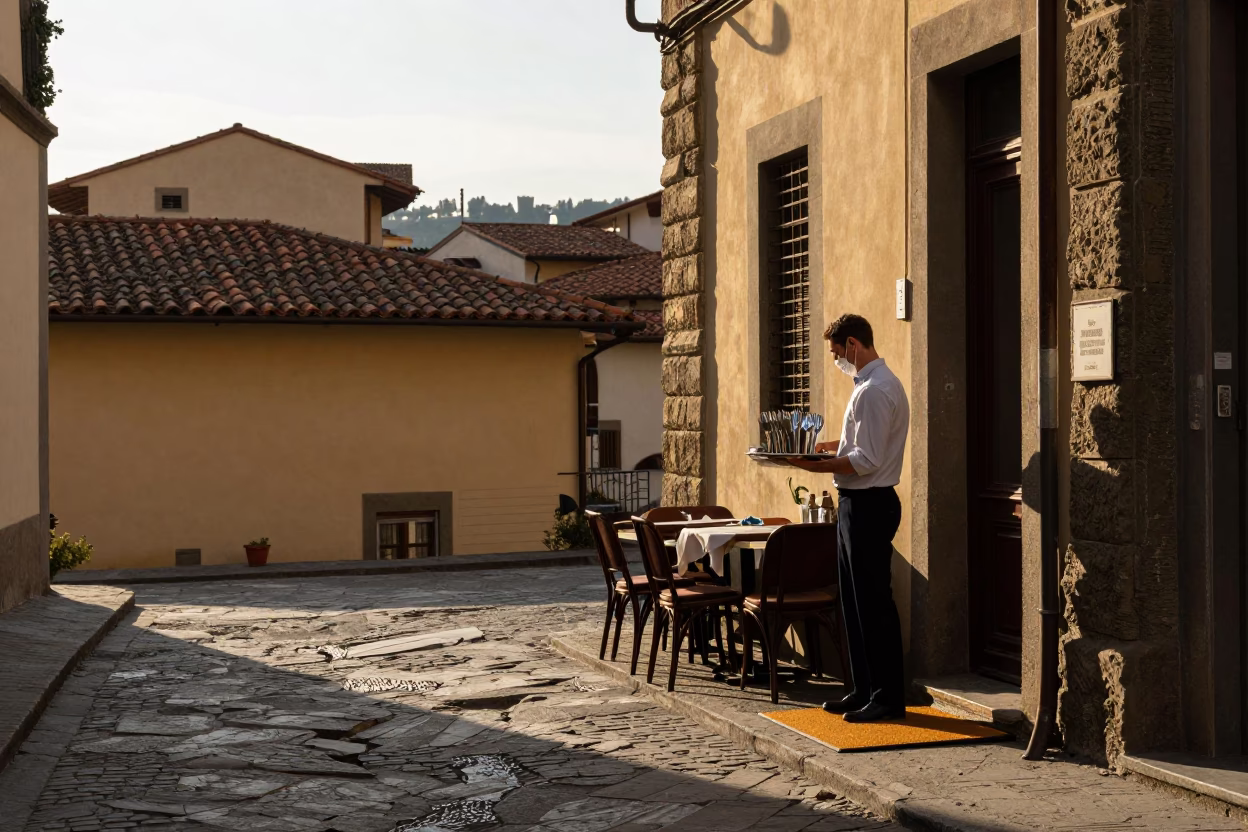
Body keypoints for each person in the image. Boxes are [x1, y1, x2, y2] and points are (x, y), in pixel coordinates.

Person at [788, 314, 910, 723]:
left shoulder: (875, 390)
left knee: (873, 603)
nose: (837, 360)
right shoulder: (869, 387)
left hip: (869, 504)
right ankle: (863, 688)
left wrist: (813, 467)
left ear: (854, 345)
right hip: (858, 504)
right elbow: (858, 444)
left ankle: (887, 696)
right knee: (855, 603)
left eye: (838, 353)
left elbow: (866, 459)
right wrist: (827, 448)